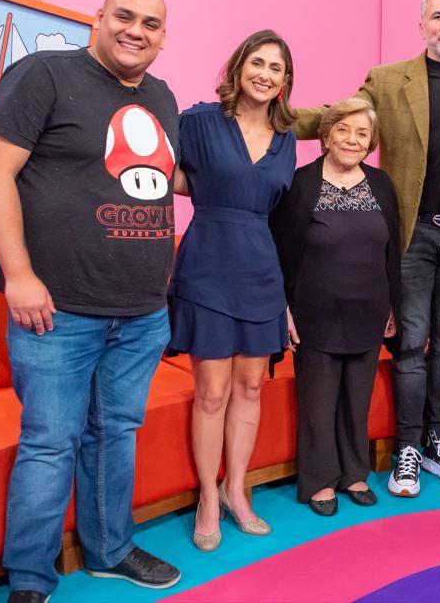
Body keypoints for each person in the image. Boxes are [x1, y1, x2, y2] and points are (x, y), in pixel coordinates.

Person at [0, 0, 182, 603]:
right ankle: (31, 579)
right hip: (55, 309)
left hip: (142, 310)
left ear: (163, 36)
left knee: (115, 434)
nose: (136, 31)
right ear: (98, 18)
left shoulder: (162, 97)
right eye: (125, 16)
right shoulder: (43, 74)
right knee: (49, 442)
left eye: (151, 22)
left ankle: (109, 551)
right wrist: (19, 275)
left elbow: (158, 179)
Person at [294, 0, 440, 498]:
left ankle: (439, 441)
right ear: (422, 25)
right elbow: (340, 117)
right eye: (438, 16)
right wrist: (266, 118)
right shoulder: (390, 81)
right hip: (414, 233)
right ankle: (408, 449)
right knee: (410, 345)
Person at [167, 30, 297, 550]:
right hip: (207, 267)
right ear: (239, 66)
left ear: (286, 81)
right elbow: (162, 173)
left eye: (277, 68)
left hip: (263, 272)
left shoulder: (288, 138)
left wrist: (288, 299)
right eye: (258, 63)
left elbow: (280, 214)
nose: (265, 74)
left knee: (249, 389)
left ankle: (236, 491)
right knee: (212, 392)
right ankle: (205, 498)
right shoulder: (199, 121)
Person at [270, 99, 402, 516]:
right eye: (343, 130)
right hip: (314, 311)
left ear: (370, 143)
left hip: (369, 309)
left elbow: (392, 253)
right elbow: (279, 252)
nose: (352, 139)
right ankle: (319, 480)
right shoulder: (300, 184)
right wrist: (282, 309)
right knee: (319, 399)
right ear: (326, 136)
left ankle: (354, 473)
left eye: (362, 133)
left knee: (356, 398)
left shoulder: (381, 184)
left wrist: (394, 307)